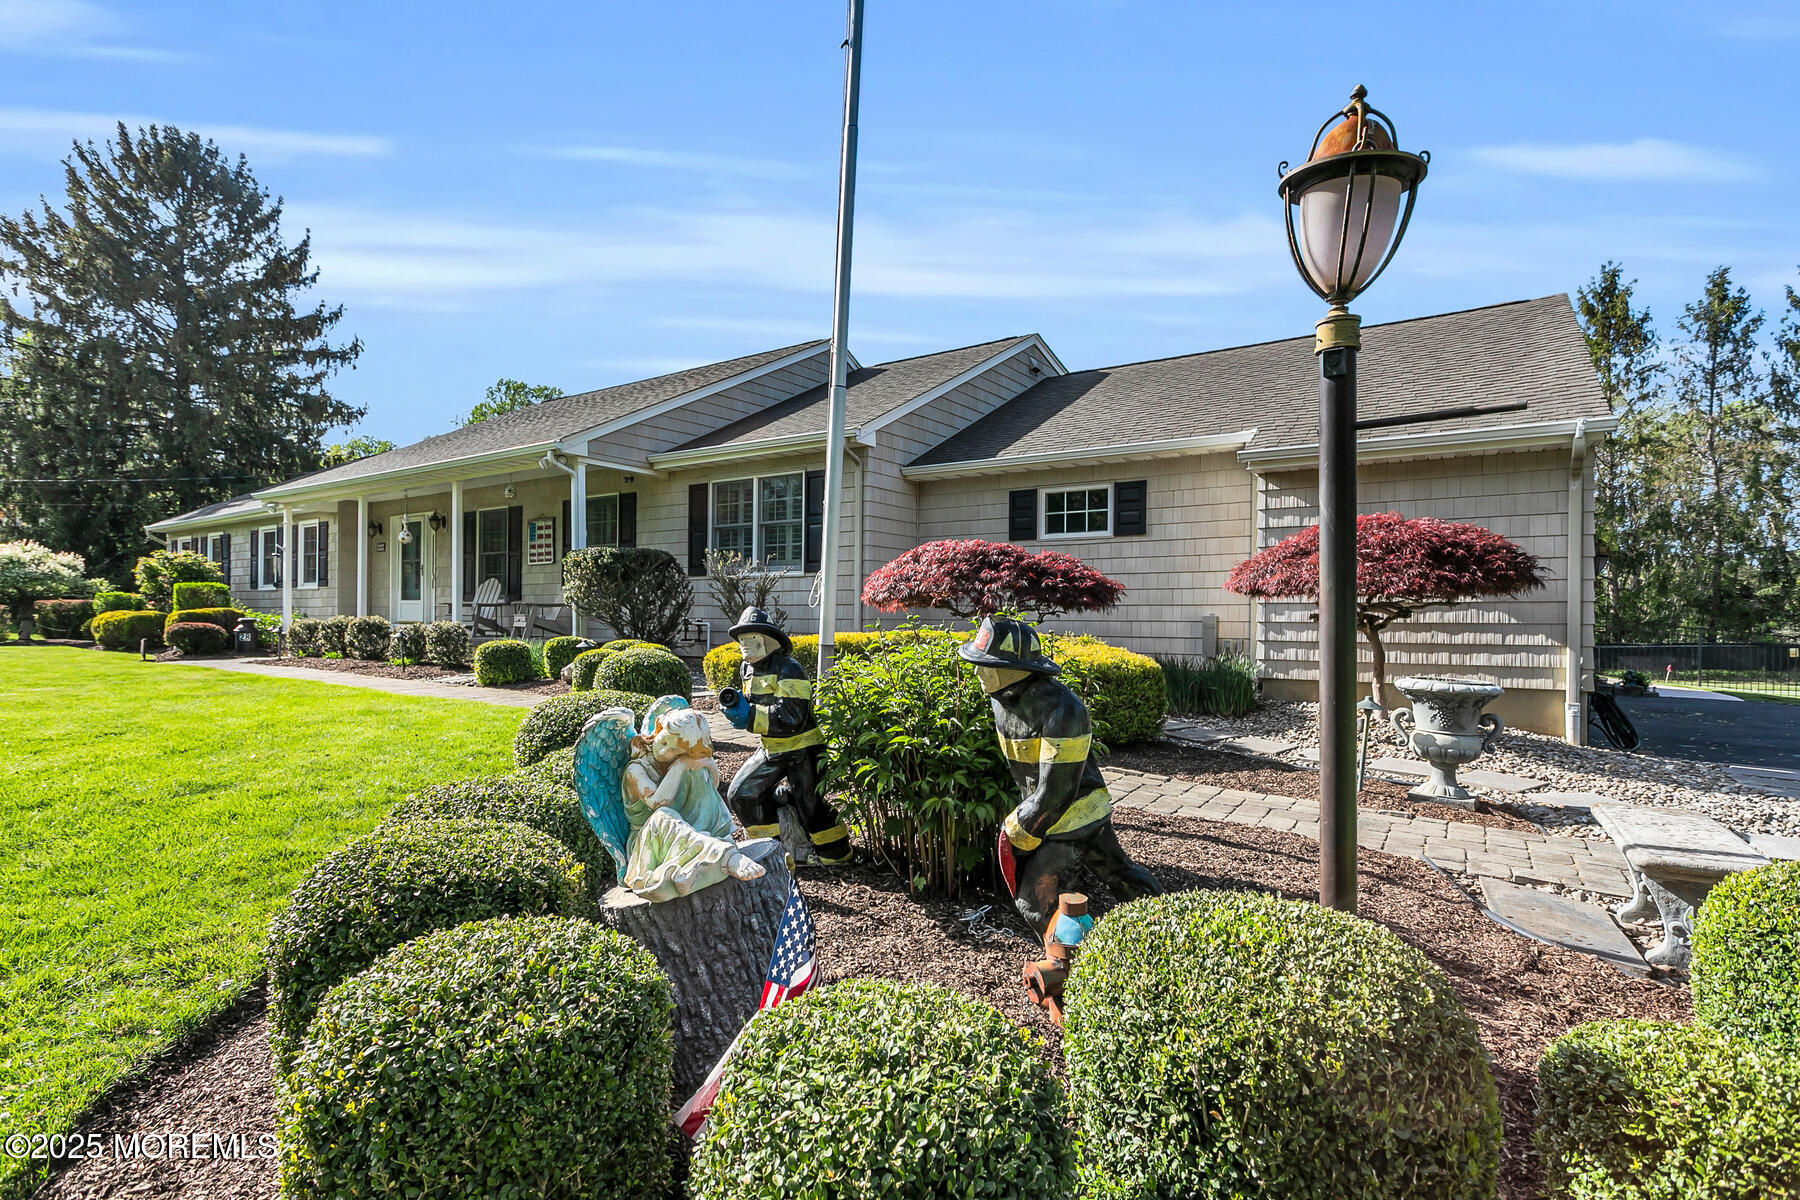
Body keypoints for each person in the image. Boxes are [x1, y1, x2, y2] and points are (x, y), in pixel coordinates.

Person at [958, 614, 1161, 937]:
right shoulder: (1001, 698)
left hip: (1071, 814)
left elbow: (1057, 791)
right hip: (1057, 813)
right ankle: (1162, 929)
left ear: (1017, 670)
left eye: (988, 664)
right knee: (1118, 871)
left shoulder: (1064, 711)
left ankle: (1073, 962)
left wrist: (1017, 829)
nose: (979, 672)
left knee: (1034, 902)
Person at [719, 606, 853, 864]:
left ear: (770, 640)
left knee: (808, 802)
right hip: (772, 749)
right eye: (742, 639)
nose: (745, 644)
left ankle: (835, 852)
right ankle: (771, 852)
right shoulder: (746, 669)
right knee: (741, 794)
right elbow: (753, 702)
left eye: (752, 637)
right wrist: (735, 707)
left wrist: (748, 716)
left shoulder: (790, 668)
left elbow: (791, 717)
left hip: (805, 749)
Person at [619, 703, 766, 901]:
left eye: (674, 750)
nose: (665, 752)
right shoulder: (635, 770)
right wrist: (680, 765)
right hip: (651, 842)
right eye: (664, 743)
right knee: (664, 815)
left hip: (683, 826)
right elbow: (657, 802)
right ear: (659, 729)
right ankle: (725, 856)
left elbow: (711, 786)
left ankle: (713, 840)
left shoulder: (679, 762)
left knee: (696, 774)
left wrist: (705, 763)